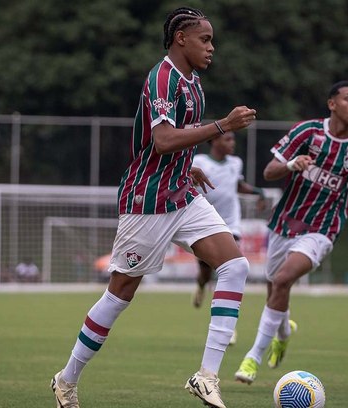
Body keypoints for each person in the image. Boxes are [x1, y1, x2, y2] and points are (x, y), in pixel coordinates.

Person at [50, 7, 257, 408]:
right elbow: (161, 140)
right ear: (181, 38)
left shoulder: (194, 82)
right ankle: (66, 379)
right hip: (147, 200)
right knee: (120, 293)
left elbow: (171, 143)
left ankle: (206, 376)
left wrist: (189, 165)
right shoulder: (162, 77)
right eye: (205, 39)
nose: (212, 47)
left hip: (181, 193)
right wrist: (222, 126)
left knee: (236, 265)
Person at [234, 81, 348, 385]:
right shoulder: (308, 133)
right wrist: (292, 164)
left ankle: (252, 358)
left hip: (324, 228)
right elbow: (269, 171)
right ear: (332, 104)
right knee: (276, 287)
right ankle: (283, 332)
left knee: (282, 279)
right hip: (285, 221)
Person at [191, 132, 266, 345]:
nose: (232, 143)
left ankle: (226, 328)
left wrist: (258, 192)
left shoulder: (236, 163)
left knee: (228, 270)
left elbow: (238, 186)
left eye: (233, 139)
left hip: (230, 225)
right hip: (203, 224)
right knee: (207, 273)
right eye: (227, 139)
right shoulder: (199, 162)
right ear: (214, 141)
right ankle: (200, 284)